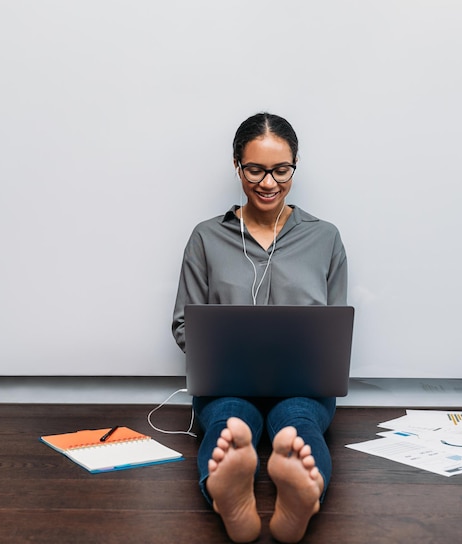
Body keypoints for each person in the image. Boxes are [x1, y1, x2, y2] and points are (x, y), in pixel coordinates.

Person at [171, 112, 348, 543]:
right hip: (226, 383)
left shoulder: (325, 238)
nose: (268, 183)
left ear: (295, 165)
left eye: (281, 170)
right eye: (255, 169)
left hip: (303, 385)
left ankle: (301, 502)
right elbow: (183, 324)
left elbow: (334, 328)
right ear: (237, 165)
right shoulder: (206, 237)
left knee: (298, 423)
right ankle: (229, 501)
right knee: (229, 422)